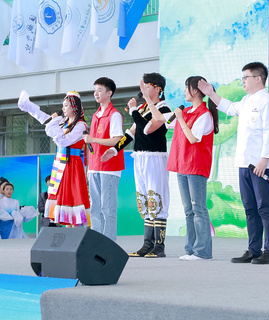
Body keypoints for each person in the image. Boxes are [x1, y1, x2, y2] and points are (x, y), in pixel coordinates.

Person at [199, 63, 269, 264]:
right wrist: (211, 93)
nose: (243, 81)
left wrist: (264, 159)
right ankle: (254, 249)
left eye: (246, 77)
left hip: (262, 165)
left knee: (265, 208)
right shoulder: (246, 101)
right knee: (250, 208)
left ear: (258, 79)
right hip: (244, 164)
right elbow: (228, 107)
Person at [103, 73, 172, 258]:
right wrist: (115, 149)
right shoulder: (142, 108)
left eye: (147, 85)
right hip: (140, 157)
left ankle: (159, 246)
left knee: (156, 197)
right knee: (144, 199)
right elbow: (132, 133)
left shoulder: (163, 109)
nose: (144, 89)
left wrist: (133, 110)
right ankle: (147, 244)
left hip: (155, 158)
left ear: (158, 88)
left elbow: (147, 129)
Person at [18, 90, 91, 227]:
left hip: (72, 165)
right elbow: (43, 118)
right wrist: (28, 106)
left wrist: (52, 124)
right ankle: (68, 232)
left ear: (74, 107)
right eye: (63, 105)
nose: (63, 108)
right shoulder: (63, 122)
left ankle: (75, 233)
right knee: (63, 201)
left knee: (73, 199)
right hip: (60, 164)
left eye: (66, 105)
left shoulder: (81, 125)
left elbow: (63, 141)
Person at [167, 76, 219, 261]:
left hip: (196, 166)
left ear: (196, 91)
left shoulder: (204, 114)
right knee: (188, 210)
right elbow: (164, 122)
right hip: (182, 166)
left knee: (199, 209)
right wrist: (149, 100)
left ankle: (202, 251)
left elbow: (193, 138)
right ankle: (190, 249)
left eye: (186, 87)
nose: (184, 91)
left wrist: (181, 119)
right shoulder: (186, 111)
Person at [83, 77, 125, 242]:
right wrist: (89, 168)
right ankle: (97, 242)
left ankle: (109, 244)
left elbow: (117, 140)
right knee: (95, 208)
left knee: (107, 209)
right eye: (95, 90)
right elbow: (92, 146)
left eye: (99, 90)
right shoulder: (95, 116)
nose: (96, 93)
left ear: (109, 93)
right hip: (94, 167)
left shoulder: (114, 115)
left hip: (109, 168)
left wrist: (93, 139)